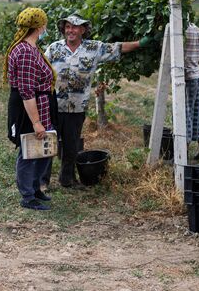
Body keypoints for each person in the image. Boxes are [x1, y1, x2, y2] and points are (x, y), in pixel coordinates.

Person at [44, 13, 154, 188]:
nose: (70, 30)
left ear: (83, 30)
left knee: (71, 145)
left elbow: (118, 48)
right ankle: (43, 181)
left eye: (74, 27)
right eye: (67, 27)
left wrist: (141, 43)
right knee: (48, 142)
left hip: (77, 106)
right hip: (53, 104)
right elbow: (41, 70)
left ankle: (67, 179)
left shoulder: (94, 48)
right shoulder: (53, 48)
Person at [5, 7, 58, 210]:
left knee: (43, 150)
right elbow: (27, 91)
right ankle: (27, 196)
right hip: (31, 109)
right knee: (28, 152)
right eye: (44, 23)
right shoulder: (26, 52)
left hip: (41, 106)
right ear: (39, 26)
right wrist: (36, 122)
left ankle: (35, 189)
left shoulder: (30, 47)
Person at [184, 22, 199, 159]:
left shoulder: (179, 30)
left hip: (187, 78)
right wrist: (193, 64)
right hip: (198, 76)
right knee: (196, 112)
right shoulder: (196, 29)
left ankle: (184, 152)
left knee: (185, 114)